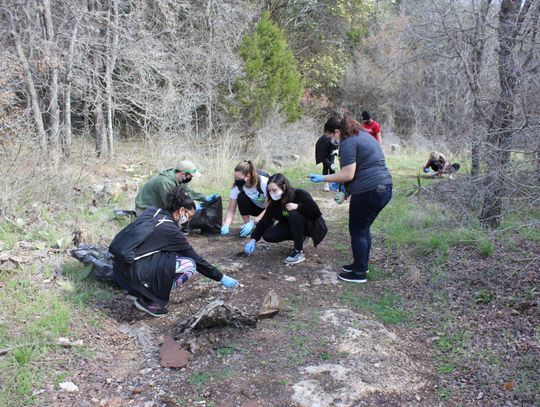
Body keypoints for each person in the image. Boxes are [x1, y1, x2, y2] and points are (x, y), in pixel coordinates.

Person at [113, 186, 238, 317]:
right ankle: (149, 299)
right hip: (133, 276)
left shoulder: (153, 211)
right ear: (182, 210)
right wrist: (221, 277)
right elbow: (198, 261)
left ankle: (136, 291)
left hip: (119, 271)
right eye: (189, 217)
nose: (188, 221)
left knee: (169, 255)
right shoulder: (172, 232)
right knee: (189, 266)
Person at [308, 115, 392, 283]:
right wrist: (346, 189)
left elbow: (348, 174)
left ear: (338, 131)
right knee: (363, 228)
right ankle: (361, 264)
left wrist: (324, 178)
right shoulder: (362, 136)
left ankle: (359, 273)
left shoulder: (348, 142)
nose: (332, 140)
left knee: (358, 230)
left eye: (331, 136)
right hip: (383, 187)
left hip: (370, 190)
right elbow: (359, 169)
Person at [243, 173, 327, 264]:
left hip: (311, 226)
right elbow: (265, 222)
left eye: (274, 190)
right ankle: (300, 237)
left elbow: (316, 213)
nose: (272, 194)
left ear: (283, 187)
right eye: (269, 191)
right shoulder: (274, 204)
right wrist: (253, 239)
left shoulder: (299, 194)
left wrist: (298, 207)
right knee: (268, 235)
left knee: (293, 214)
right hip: (292, 225)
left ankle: (299, 251)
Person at [134, 160, 219, 216]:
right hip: (145, 210)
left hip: (157, 207)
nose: (191, 178)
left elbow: (188, 192)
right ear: (183, 174)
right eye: (190, 176)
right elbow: (171, 204)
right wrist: (191, 207)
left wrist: (204, 198)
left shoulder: (178, 178)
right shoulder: (165, 182)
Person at [221, 160, 269, 238]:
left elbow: (270, 207)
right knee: (241, 197)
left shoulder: (264, 182)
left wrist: (254, 222)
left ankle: (254, 225)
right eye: (235, 178)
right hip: (255, 208)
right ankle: (247, 226)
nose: (236, 180)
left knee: (267, 232)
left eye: (238, 178)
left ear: (248, 176)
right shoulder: (237, 187)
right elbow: (231, 210)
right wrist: (226, 224)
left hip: (267, 210)